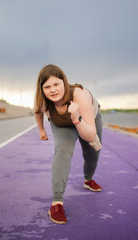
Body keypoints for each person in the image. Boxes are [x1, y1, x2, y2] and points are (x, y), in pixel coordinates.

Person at [34, 64, 103, 224]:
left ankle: (88, 179)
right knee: (63, 151)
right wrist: (41, 130)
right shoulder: (44, 100)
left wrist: (77, 118)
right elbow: (37, 110)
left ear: (64, 82)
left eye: (56, 84)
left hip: (85, 119)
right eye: (47, 86)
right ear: (42, 89)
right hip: (63, 125)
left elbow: (90, 135)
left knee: (92, 153)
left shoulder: (79, 94)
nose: (52, 90)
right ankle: (56, 204)